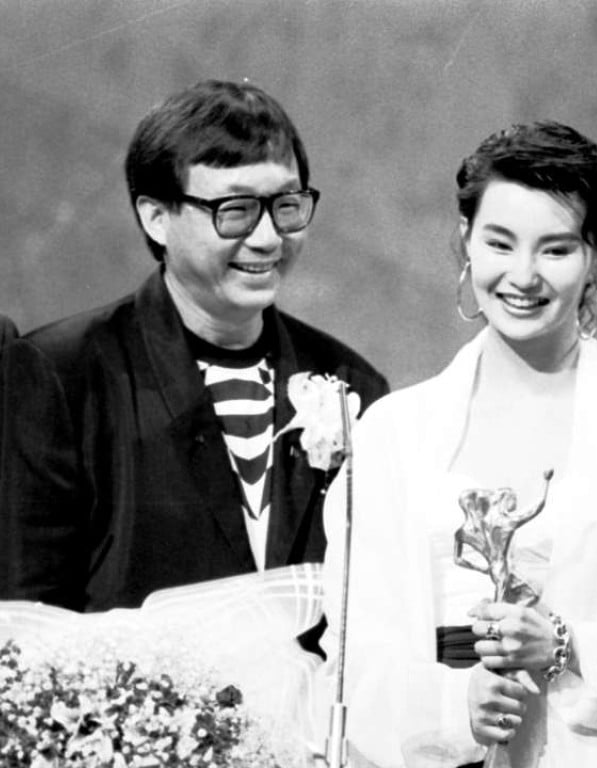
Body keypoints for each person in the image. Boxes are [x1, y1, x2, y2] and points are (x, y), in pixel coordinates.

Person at [320, 122, 597, 767]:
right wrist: (456, 703)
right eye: (500, 243)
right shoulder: (393, 433)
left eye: (556, 250)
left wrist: (566, 648)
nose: (523, 276)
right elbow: (352, 655)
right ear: (465, 244)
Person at [0, 80, 388, 615]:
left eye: (287, 205)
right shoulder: (62, 375)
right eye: (235, 210)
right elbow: (24, 619)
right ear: (155, 216)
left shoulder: (352, 383)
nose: (268, 237)